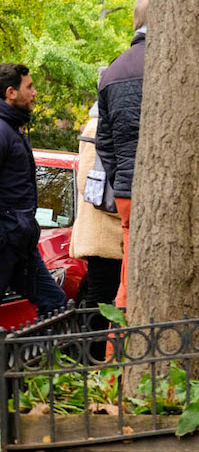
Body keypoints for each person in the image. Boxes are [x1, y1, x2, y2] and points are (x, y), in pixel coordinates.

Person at [0, 63, 67, 319]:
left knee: (56, 304)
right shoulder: (3, 131)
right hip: (7, 240)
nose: (35, 93)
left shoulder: (12, 130)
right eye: (29, 87)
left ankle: (47, 359)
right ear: (11, 92)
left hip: (19, 243)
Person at [96, 0, 149, 307]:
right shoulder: (170, 62)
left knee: (130, 274)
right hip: (165, 190)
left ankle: (121, 349)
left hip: (127, 191)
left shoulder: (111, 72)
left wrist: (121, 179)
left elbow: (104, 141)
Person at [71, 97, 123, 352]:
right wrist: (125, 211)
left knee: (105, 299)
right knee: (100, 300)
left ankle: (97, 356)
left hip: (113, 231)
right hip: (103, 231)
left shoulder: (112, 124)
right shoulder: (96, 127)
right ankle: (90, 358)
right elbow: (88, 184)